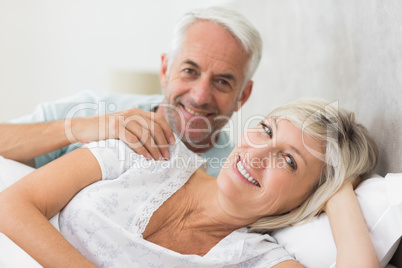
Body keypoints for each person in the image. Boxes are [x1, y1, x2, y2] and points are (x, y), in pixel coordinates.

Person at [0, 99, 380, 267]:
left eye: (289, 161)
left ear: (309, 200)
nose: (258, 153)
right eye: (266, 129)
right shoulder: (150, 146)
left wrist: (339, 193)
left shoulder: (255, 260)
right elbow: (11, 205)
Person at [0, 7, 262, 177]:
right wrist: (79, 129)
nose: (200, 96)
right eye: (189, 71)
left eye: (222, 82)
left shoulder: (239, 173)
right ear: (164, 69)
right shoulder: (92, 108)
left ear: (243, 96)